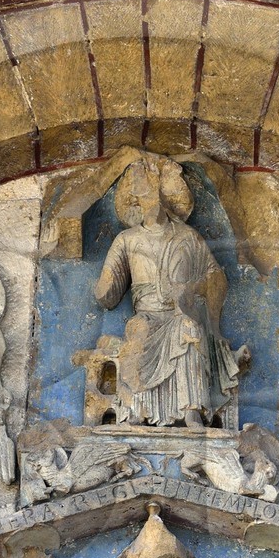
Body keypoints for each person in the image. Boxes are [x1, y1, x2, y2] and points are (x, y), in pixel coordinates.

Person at [93, 153, 246, 428]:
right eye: (141, 193)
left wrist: (191, 289)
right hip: (147, 316)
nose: (148, 200)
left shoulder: (188, 236)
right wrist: (104, 288)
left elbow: (215, 277)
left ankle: (192, 411)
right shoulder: (126, 240)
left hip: (179, 312)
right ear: (134, 201)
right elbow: (110, 293)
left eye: (153, 191)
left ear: (166, 195)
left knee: (189, 328)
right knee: (138, 331)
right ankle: (136, 412)